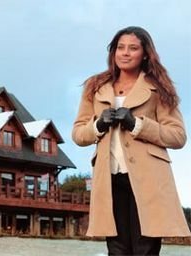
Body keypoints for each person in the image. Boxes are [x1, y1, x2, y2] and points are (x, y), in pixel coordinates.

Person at [72, 26, 190, 255]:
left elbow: (178, 136)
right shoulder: (95, 87)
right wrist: (98, 125)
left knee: (145, 249)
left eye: (133, 48)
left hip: (149, 180)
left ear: (145, 54)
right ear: (113, 52)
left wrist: (137, 124)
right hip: (109, 179)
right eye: (120, 47)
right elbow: (78, 134)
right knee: (116, 250)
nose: (125, 53)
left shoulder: (159, 88)